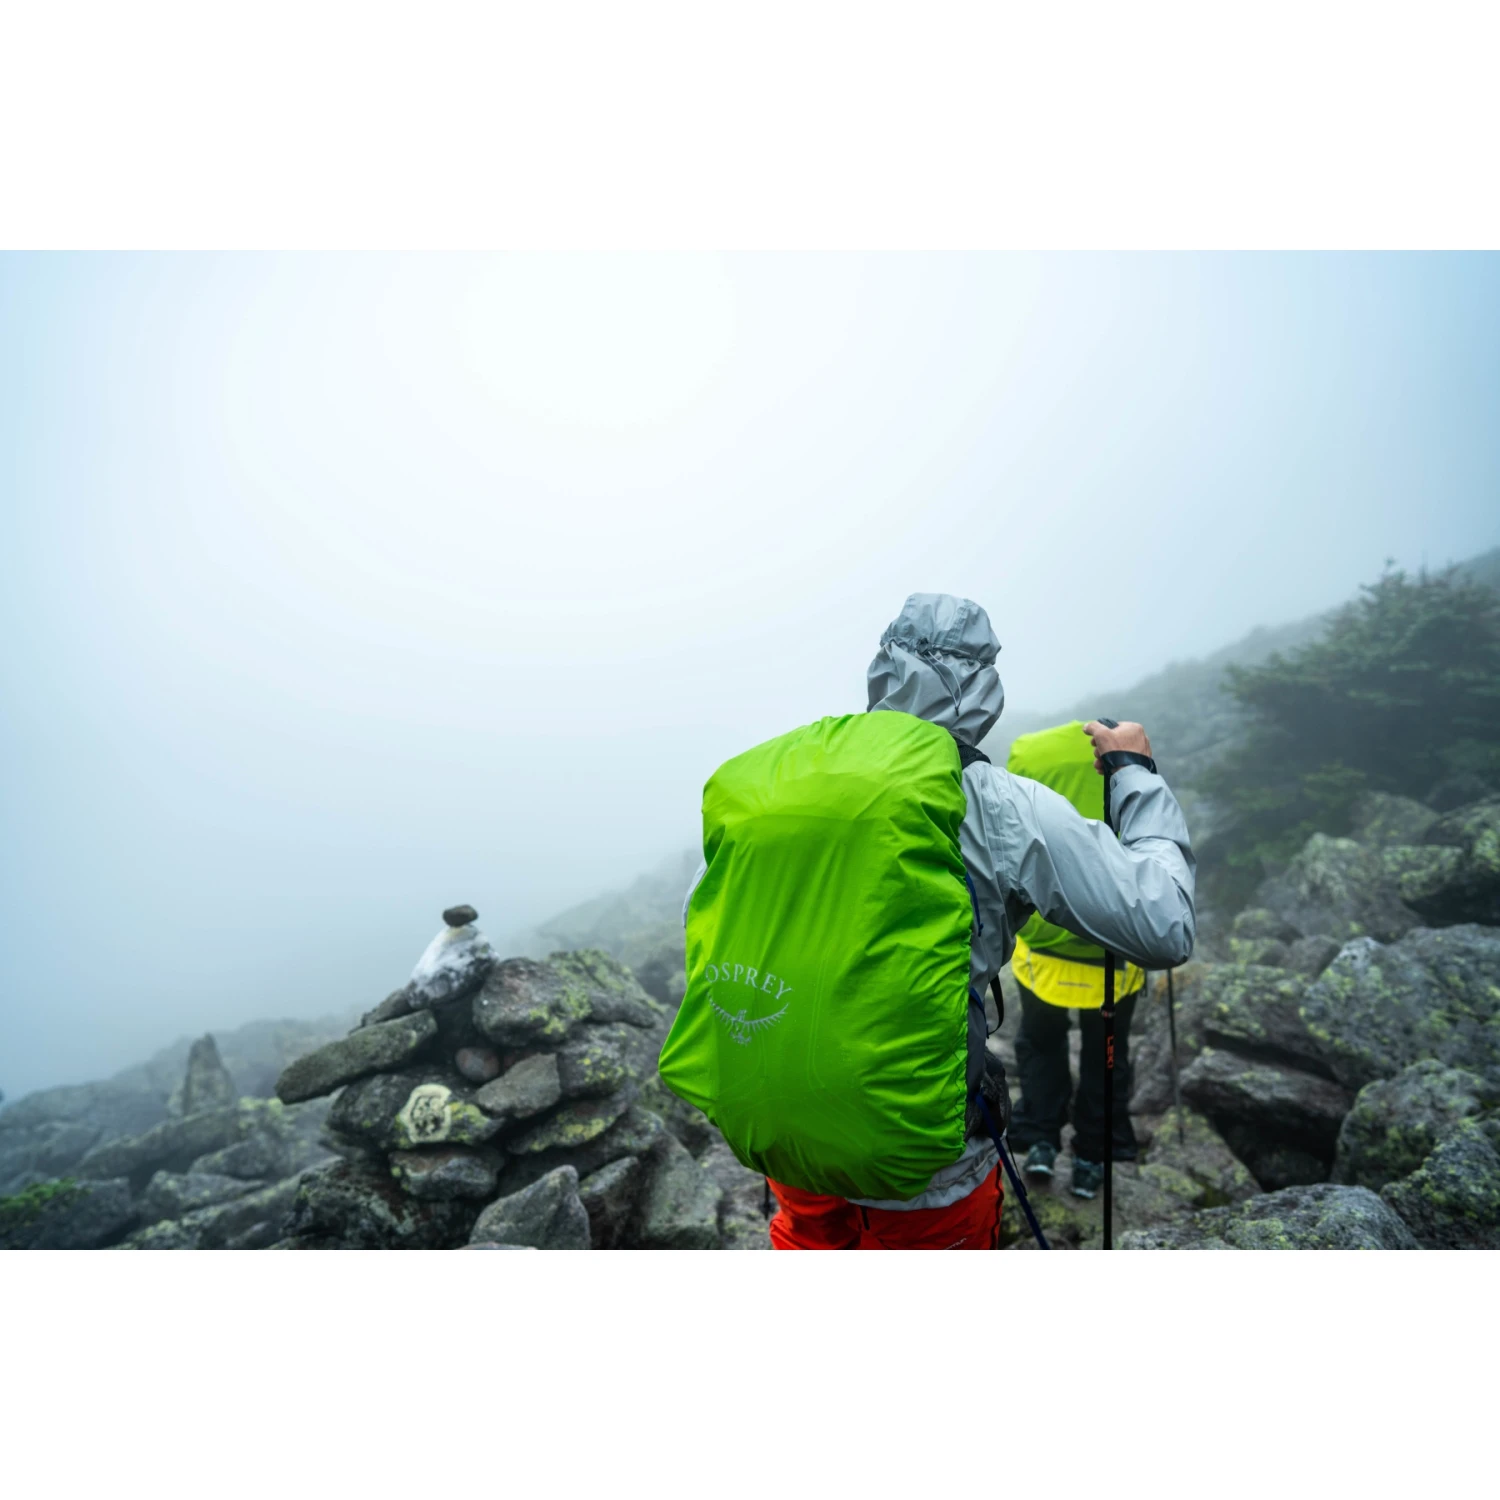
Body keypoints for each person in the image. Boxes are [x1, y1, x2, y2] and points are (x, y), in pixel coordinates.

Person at [671, 593, 1195, 1249]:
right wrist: (1134, 774)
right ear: (984, 689)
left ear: (883, 669)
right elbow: (1165, 923)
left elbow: (705, 916)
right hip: (922, 1164)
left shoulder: (776, 781)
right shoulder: (992, 801)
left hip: (783, 1123)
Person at [1004, 721, 1149, 1199]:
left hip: (1044, 939)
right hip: (1112, 945)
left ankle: (1040, 1137)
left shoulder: (1028, 753)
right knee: (1106, 1054)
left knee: (1040, 1040)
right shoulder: (1131, 757)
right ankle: (1094, 1150)